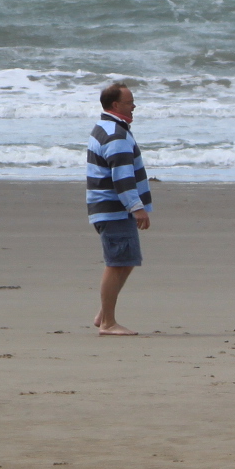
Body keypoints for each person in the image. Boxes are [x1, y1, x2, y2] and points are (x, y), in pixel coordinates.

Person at [87, 82, 152, 336]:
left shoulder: (106, 127)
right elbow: (122, 177)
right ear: (115, 105)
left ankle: (104, 315)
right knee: (117, 262)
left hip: (108, 207)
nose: (133, 106)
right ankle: (108, 323)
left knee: (126, 261)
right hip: (113, 208)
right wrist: (137, 207)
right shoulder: (115, 134)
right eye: (129, 102)